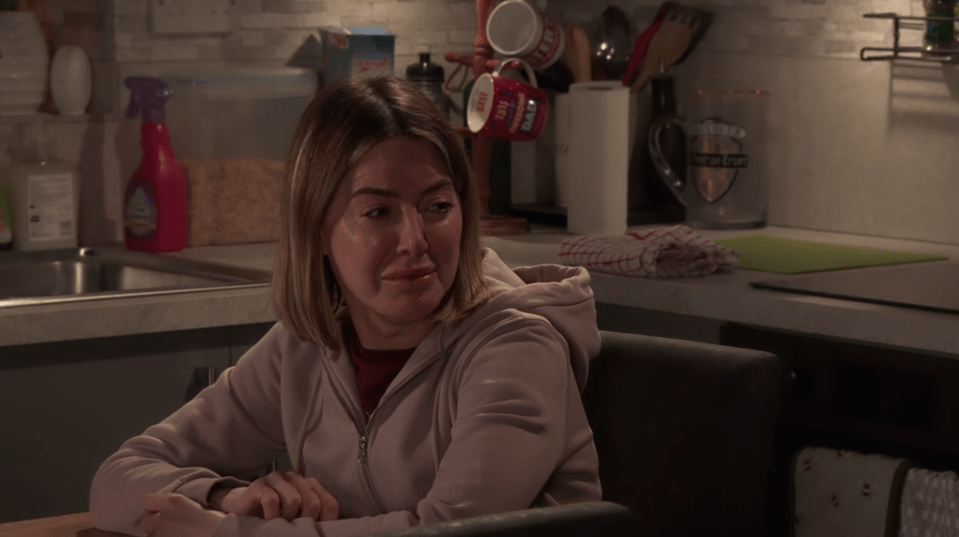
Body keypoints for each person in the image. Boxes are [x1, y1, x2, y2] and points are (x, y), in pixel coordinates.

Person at [89, 76, 602, 537]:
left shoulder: (518, 346)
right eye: (378, 211)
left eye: (438, 207)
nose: (414, 240)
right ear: (317, 230)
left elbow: (451, 532)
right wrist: (229, 496)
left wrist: (229, 534)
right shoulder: (305, 349)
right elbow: (117, 479)